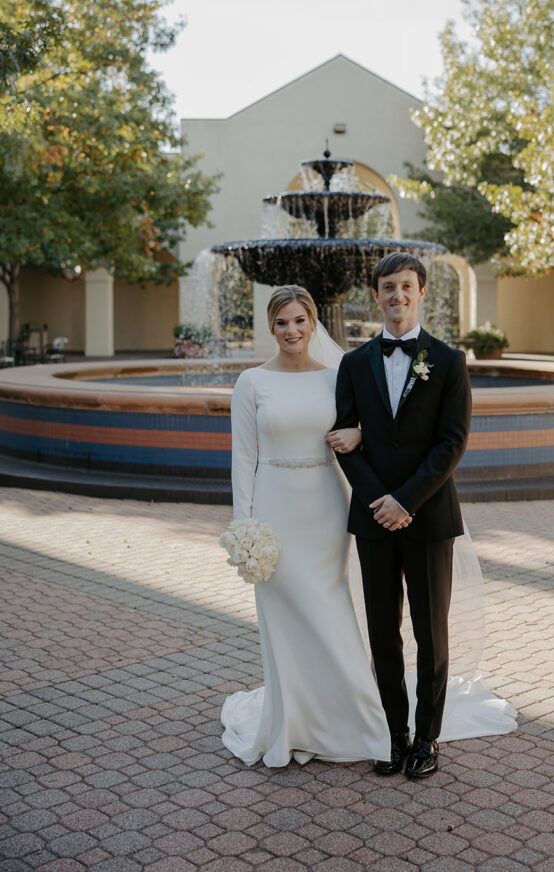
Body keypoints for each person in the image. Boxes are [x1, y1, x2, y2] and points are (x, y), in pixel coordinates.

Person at [221, 285, 390, 767]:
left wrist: (359, 432)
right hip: (274, 509)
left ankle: (357, 719)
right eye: (281, 323)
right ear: (270, 328)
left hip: (326, 507)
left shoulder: (338, 376)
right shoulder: (252, 383)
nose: (291, 331)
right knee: (284, 616)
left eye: (299, 321)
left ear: (313, 324)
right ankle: (292, 720)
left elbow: (371, 429)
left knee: (330, 607)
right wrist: (243, 529)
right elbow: (242, 460)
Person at [331, 251, 486, 779]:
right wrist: (381, 502)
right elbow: (344, 439)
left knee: (430, 630)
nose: (397, 295)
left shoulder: (447, 361)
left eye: (406, 286)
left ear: (421, 293)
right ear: (376, 296)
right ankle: (394, 734)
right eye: (388, 288)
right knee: (381, 630)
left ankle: (427, 737)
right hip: (374, 519)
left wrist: (407, 501)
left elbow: (452, 443)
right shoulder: (353, 365)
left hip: (428, 517)